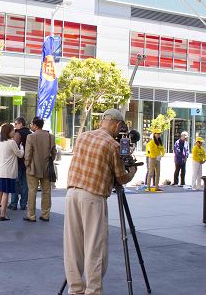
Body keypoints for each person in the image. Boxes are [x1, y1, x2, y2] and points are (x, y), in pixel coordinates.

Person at [64, 109, 137, 295]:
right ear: (118, 124)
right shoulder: (112, 145)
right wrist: (132, 171)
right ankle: (93, 291)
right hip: (93, 197)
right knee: (94, 247)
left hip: (72, 194)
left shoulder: (83, 137)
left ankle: (75, 290)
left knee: (73, 247)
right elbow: (120, 178)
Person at [24, 117, 56, 222]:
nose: (31, 126)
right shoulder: (50, 137)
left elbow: (28, 154)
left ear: (35, 125)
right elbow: (54, 153)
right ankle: (45, 214)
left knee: (32, 191)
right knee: (46, 191)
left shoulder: (31, 137)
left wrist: (27, 164)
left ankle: (31, 215)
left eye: (32, 124)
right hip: (47, 168)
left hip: (33, 168)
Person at [0, 124, 24, 221]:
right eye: (12, 131)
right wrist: (22, 148)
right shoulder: (12, 143)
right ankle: (3, 214)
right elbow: (19, 155)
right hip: (8, 172)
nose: (14, 133)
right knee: (6, 193)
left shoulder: (0, 143)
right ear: (8, 132)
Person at [8, 117, 32, 210]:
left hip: (18, 161)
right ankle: (23, 204)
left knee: (16, 183)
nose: (15, 125)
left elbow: (15, 146)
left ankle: (13, 204)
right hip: (27, 161)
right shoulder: (30, 133)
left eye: (16, 123)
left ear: (21, 124)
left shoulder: (18, 133)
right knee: (25, 183)